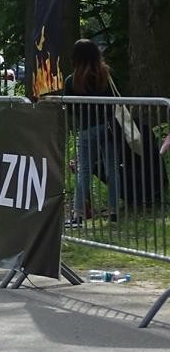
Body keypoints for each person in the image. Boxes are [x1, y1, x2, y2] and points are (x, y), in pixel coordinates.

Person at [63, 38, 120, 225]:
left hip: (87, 129)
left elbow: (71, 109)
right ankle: (114, 211)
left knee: (84, 171)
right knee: (112, 169)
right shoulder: (107, 75)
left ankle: (78, 214)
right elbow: (118, 99)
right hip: (109, 128)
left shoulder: (72, 80)